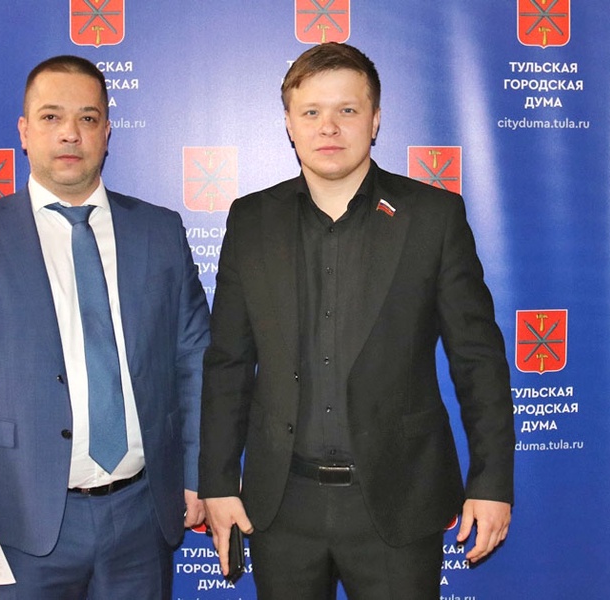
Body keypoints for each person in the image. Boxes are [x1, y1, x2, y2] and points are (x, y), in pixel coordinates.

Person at [198, 43, 514, 599]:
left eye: (347, 109)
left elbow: (477, 361)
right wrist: (218, 483)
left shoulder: (433, 217)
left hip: (400, 501)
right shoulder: (250, 220)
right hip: (281, 506)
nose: (329, 127)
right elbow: (228, 363)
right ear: (289, 124)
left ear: (375, 120)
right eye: (311, 111)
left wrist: (491, 483)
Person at [0, 55, 210, 599]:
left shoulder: (160, 231)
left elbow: (195, 360)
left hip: (144, 514)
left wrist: (199, 472)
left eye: (87, 118)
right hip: (23, 515)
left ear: (106, 133)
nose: (70, 133)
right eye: (51, 117)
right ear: (24, 132)